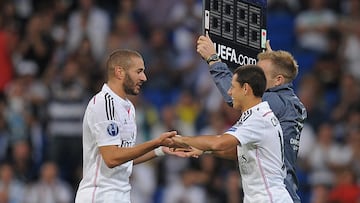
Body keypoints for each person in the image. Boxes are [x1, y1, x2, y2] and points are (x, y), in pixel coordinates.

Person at [196, 35, 307, 203]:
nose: (255, 79)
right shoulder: (287, 102)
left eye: (260, 74)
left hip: (274, 195)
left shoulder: (276, 103)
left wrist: (214, 60)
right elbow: (241, 152)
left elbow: (236, 96)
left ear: (278, 80)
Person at [172, 65, 293, 202]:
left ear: (246, 89)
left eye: (233, 87)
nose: (229, 92)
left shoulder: (258, 119)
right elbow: (239, 153)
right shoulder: (254, 116)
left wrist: (181, 140)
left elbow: (220, 143)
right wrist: (204, 150)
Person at [75, 49, 178, 203]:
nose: (144, 77)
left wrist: (161, 150)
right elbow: (112, 158)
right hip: (99, 196)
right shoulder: (104, 104)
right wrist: (156, 142)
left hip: (120, 195)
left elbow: (126, 158)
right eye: (139, 71)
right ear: (120, 72)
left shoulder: (128, 107)